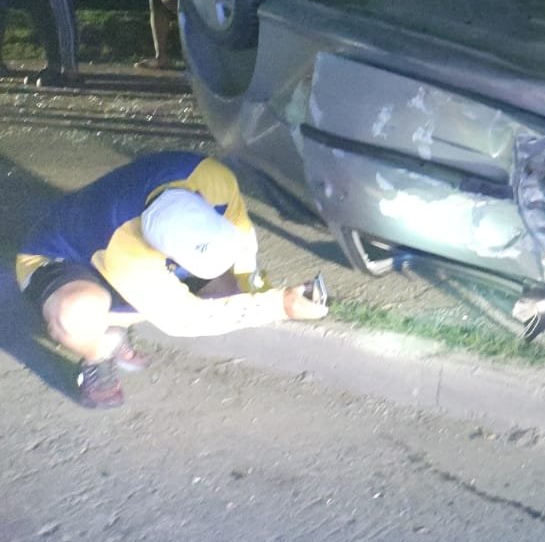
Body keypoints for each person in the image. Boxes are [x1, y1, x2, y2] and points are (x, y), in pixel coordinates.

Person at [14, 151, 329, 409]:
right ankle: (98, 353)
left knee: (231, 290)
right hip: (62, 258)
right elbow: (183, 320)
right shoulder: (125, 247)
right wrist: (280, 307)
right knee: (77, 313)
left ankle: (114, 325)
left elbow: (243, 242)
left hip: (126, 248)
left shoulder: (212, 177)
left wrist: (261, 292)